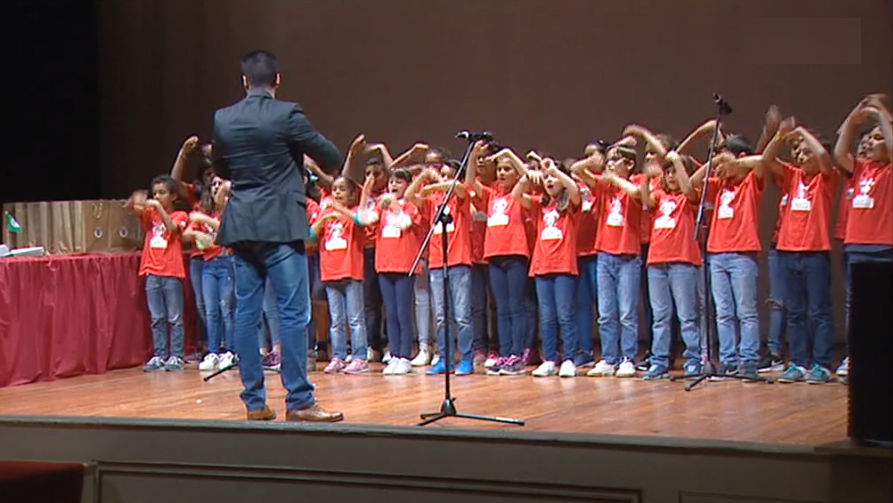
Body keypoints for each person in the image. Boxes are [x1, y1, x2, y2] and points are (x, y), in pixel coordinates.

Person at [212, 50, 343, 422]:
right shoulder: (286, 114)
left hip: (241, 224)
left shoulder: (224, 118)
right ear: (278, 80)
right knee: (293, 312)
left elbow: (222, 166)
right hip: (281, 225)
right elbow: (331, 156)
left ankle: (254, 402)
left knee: (246, 314)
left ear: (244, 82)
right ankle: (299, 400)